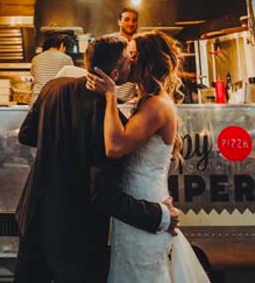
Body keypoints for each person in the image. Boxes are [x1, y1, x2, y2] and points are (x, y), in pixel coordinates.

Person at [14, 35, 179, 283]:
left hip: (34, 216)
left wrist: (61, 144)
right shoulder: (110, 119)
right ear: (115, 73)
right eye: (129, 59)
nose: (132, 64)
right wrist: (159, 216)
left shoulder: (53, 87)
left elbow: (26, 135)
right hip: (76, 231)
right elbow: (103, 194)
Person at [88, 31, 210, 283]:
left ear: (148, 62)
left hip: (145, 206)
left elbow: (115, 147)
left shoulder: (156, 105)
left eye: (132, 55)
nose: (127, 60)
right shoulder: (145, 101)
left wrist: (110, 95)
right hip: (137, 204)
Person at [29, 34, 74, 104]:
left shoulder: (35, 59)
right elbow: (72, 82)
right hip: (56, 102)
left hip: (37, 100)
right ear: (61, 45)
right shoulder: (66, 58)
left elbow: (33, 79)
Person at [111, 8, 139, 102]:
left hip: (132, 99)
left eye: (134, 20)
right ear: (119, 22)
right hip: (112, 95)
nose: (131, 23)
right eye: (127, 19)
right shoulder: (111, 42)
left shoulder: (141, 42)